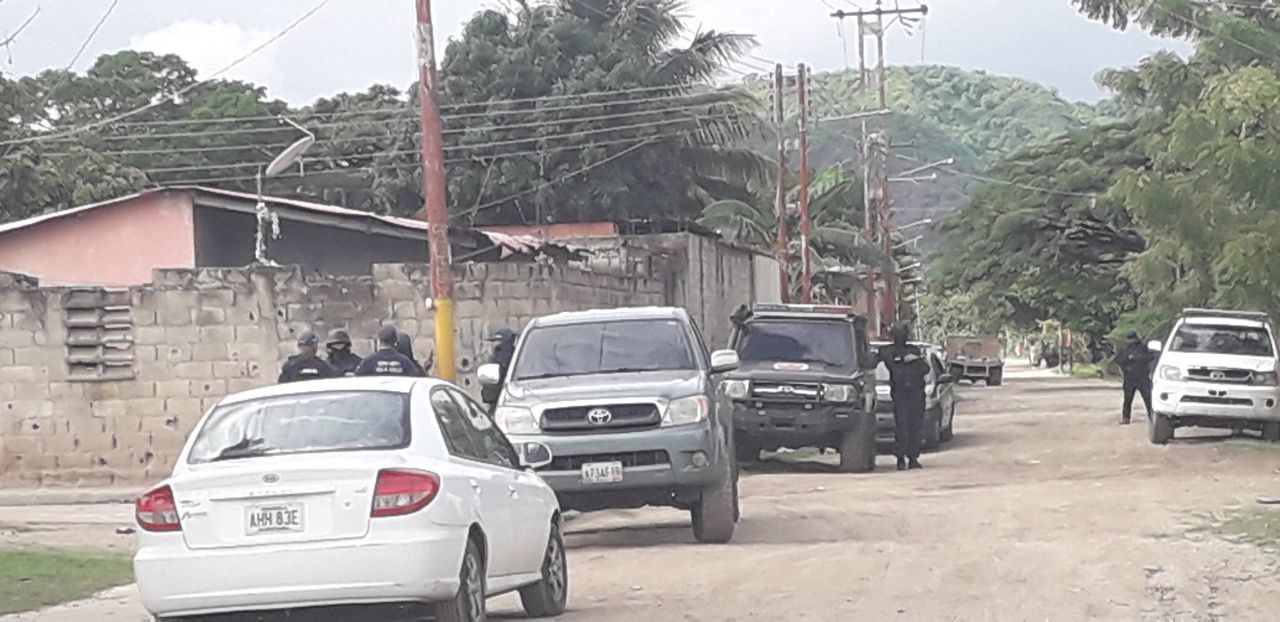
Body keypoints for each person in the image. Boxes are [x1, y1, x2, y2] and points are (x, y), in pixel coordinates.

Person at [877, 322, 930, 470]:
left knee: (915, 426)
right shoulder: (888, 351)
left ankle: (913, 458)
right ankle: (900, 458)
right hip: (900, 394)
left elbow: (925, 368)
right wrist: (904, 359)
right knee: (902, 426)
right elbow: (886, 361)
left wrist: (915, 359)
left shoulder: (914, 350)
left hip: (916, 394)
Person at [1115, 331, 1156, 425]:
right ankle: (1126, 417)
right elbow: (1119, 360)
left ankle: (1152, 417)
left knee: (1148, 398)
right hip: (1130, 377)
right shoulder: (1124, 349)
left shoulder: (1143, 347)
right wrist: (1128, 360)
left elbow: (1150, 357)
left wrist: (1139, 358)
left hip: (1142, 376)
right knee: (1128, 399)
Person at [357, 326, 426, 377]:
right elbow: (417, 378)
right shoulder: (405, 362)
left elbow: (358, 380)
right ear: (395, 341)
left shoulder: (368, 362)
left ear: (379, 341)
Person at [481, 328, 517, 408]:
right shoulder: (518, 355)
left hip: (500, 399)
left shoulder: (500, 356)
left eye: (496, 341)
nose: (493, 344)